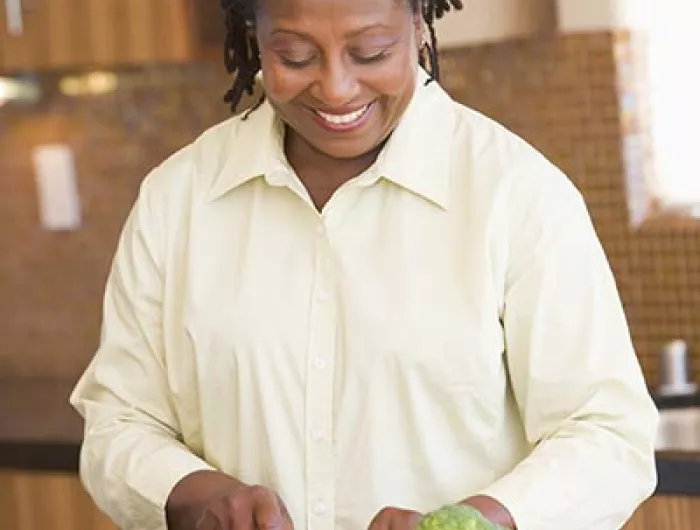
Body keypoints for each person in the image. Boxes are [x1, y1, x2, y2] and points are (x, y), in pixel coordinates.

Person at [69, 0, 660, 528]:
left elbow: (608, 434)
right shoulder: (178, 198)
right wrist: (196, 493)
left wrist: (477, 523)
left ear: (418, 25)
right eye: (295, 56)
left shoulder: (516, 194)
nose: (336, 88)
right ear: (254, 37)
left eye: (370, 52)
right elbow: (118, 420)